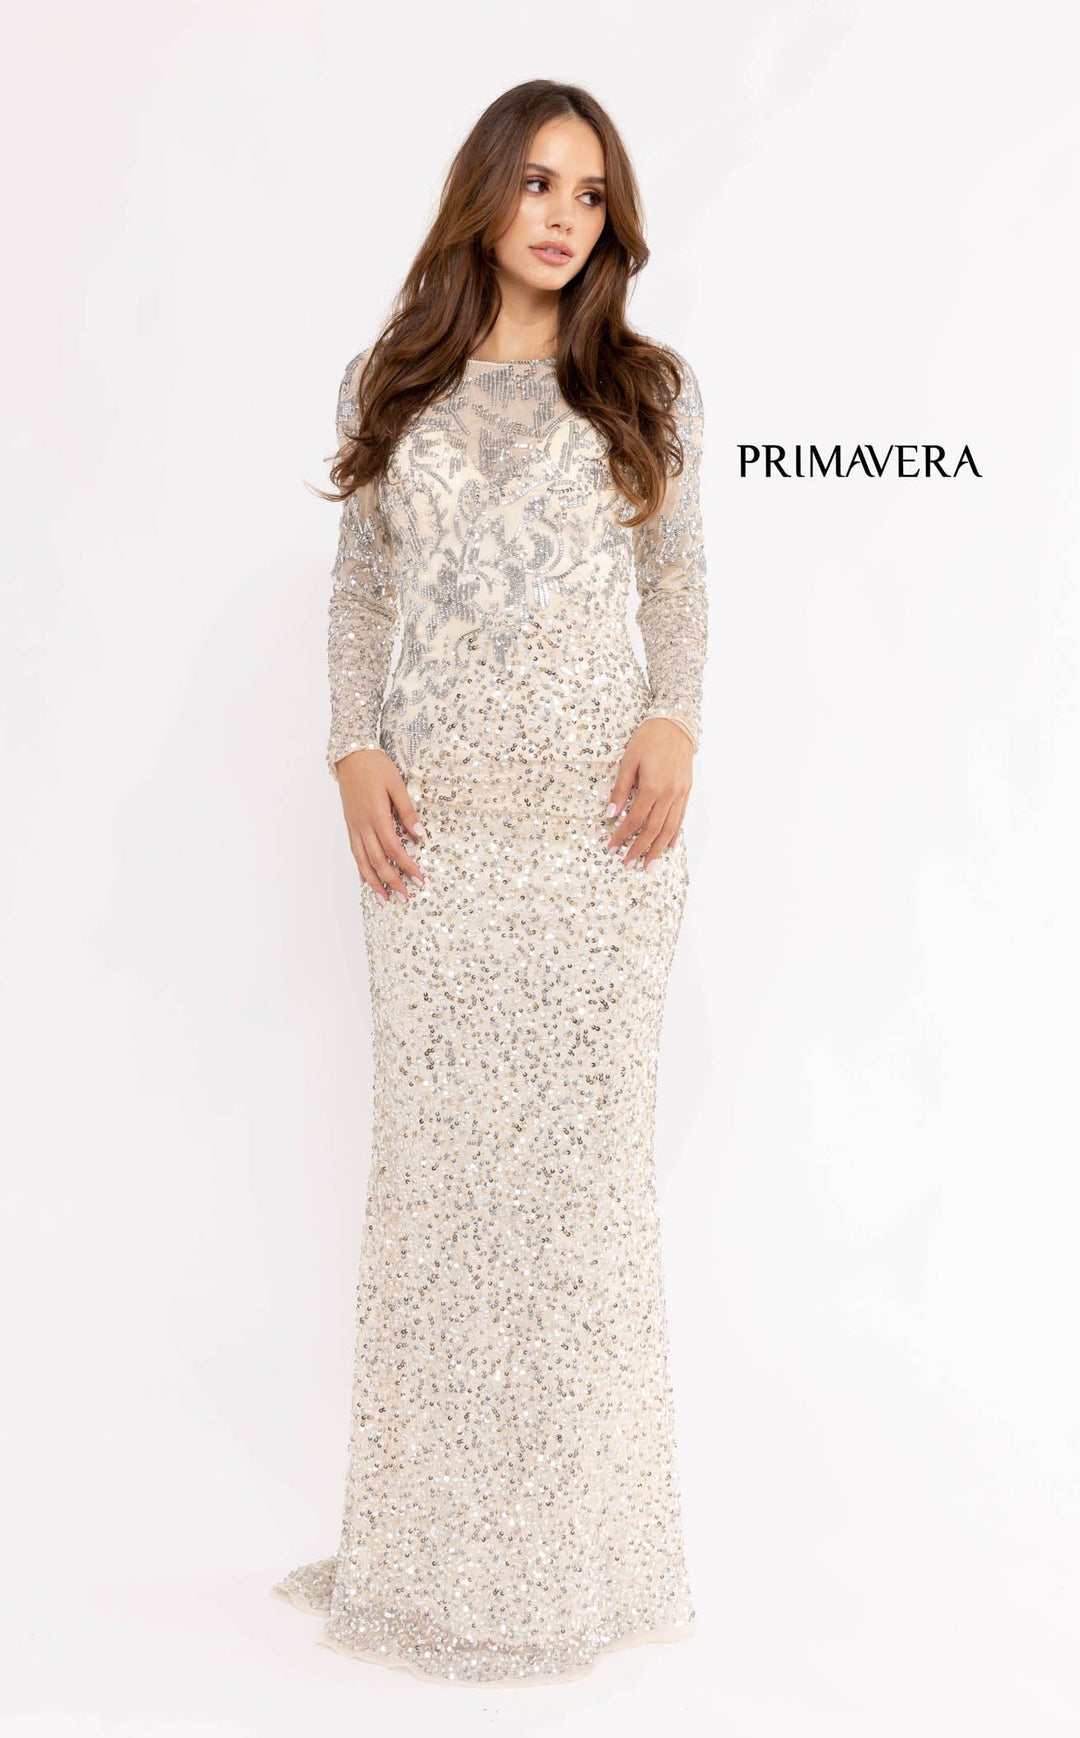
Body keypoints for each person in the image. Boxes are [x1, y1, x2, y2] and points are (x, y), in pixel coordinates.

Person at [271, 77, 708, 1686]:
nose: (562, 216)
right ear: (483, 195)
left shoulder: (644, 386)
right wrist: (351, 747)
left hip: (600, 846)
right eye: (536, 182)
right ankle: (430, 1558)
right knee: (444, 1192)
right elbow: (357, 588)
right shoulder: (395, 381)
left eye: (590, 194)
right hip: (437, 849)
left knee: (579, 1199)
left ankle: (580, 1561)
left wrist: (673, 717)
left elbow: (680, 576)